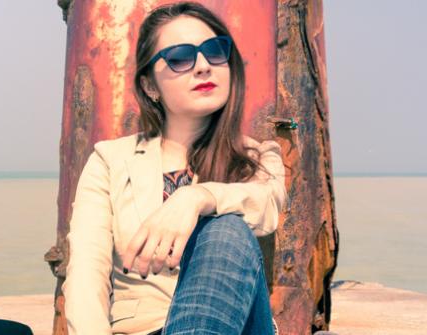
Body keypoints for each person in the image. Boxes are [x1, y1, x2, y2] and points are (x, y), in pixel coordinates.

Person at [61, 2, 287, 335]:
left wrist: (197, 197)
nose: (203, 67)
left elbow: (266, 205)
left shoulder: (258, 157)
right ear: (150, 86)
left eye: (214, 51)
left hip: (234, 326)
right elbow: (86, 273)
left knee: (225, 229)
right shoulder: (110, 160)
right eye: (180, 57)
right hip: (140, 329)